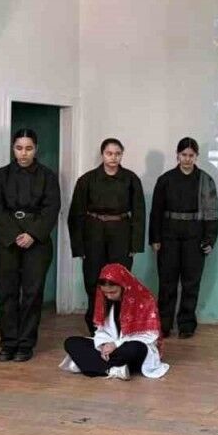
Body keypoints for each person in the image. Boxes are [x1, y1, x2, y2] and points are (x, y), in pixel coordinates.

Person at [0, 129, 61, 363]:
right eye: (19, 148)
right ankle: (8, 343)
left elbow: (52, 208)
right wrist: (13, 235)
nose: (24, 153)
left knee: (32, 293)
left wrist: (32, 234)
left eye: (28, 148)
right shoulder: (1, 176)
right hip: (7, 241)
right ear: (13, 148)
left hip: (37, 242)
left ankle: (25, 344)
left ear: (36, 149)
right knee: (7, 293)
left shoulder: (47, 176)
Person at [68, 138, 146, 333]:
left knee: (120, 279)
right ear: (102, 154)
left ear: (122, 155)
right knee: (93, 279)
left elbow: (139, 213)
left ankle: (118, 324)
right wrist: (78, 247)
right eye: (109, 153)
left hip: (121, 233)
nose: (113, 157)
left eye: (117, 154)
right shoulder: (86, 180)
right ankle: (95, 325)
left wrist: (135, 245)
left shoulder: (131, 179)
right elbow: (75, 215)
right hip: (93, 233)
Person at [150, 137, 218, 339]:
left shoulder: (205, 180)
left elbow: (212, 212)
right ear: (177, 155)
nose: (187, 159)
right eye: (184, 155)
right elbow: (156, 211)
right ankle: (164, 324)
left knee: (191, 283)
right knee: (167, 282)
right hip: (169, 235)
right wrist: (155, 238)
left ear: (196, 156)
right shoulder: (165, 180)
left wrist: (209, 239)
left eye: (191, 155)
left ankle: (187, 324)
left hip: (194, 236)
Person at [59, 263, 169, 380]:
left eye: (113, 292)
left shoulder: (145, 300)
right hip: (111, 349)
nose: (108, 297)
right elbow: (102, 331)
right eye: (105, 293)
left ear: (124, 286)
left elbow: (150, 335)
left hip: (131, 348)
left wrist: (116, 344)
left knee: (133, 348)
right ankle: (113, 369)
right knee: (71, 342)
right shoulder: (106, 302)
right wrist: (103, 345)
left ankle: (96, 366)